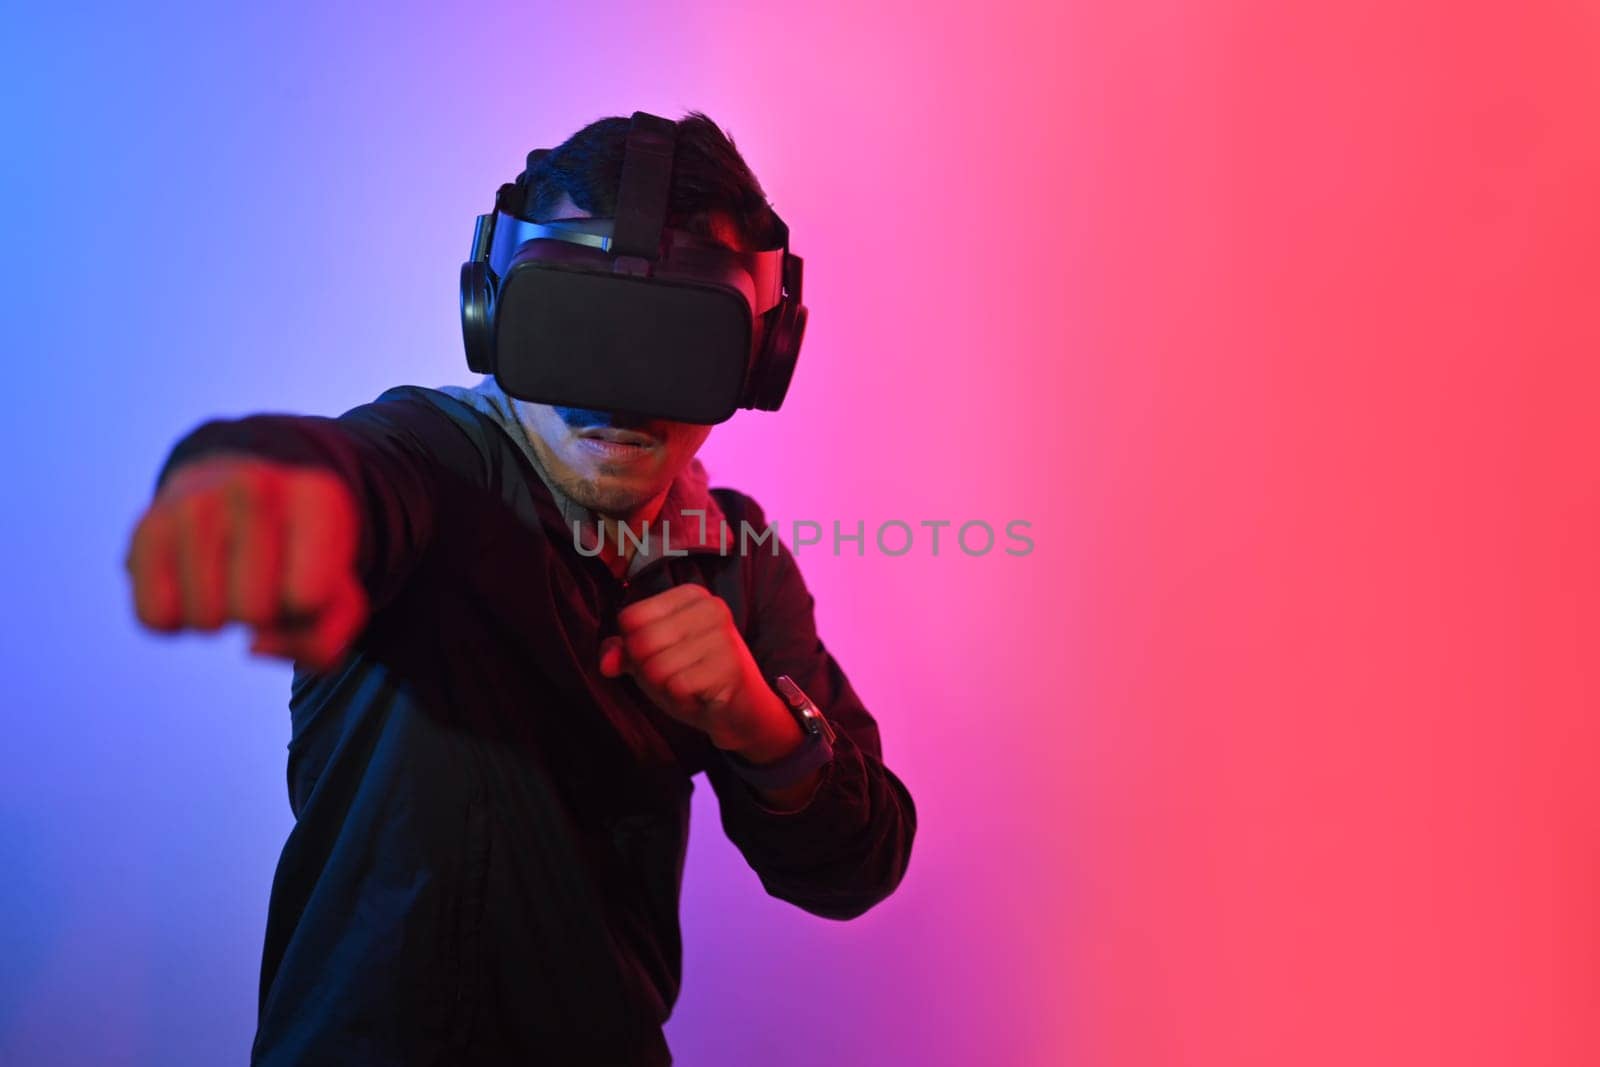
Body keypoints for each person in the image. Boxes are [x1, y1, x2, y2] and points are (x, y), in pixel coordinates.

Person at [121, 110, 917, 1066]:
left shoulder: (736, 554)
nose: (618, 393)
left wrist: (759, 724)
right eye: (577, 321)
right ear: (495, 314)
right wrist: (264, 488)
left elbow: (859, 865)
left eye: (676, 338)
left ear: (758, 358)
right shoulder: (431, 464)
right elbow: (352, 473)